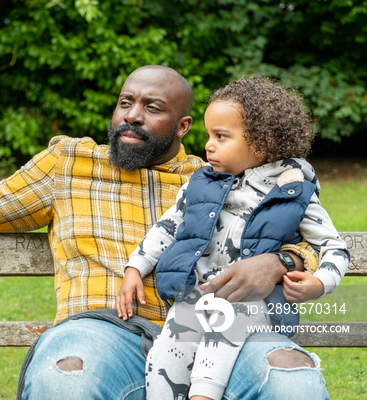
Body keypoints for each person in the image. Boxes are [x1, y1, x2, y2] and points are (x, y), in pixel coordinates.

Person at [0, 65, 329, 399]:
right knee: (69, 378)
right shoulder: (69, 164)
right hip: (102, 329)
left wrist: (284, 261)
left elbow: (300, 226)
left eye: (152, 109)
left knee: (292, 378)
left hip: (218, 333)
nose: (131, 117)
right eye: (126, 102)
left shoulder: (217, 175)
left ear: (185, 126)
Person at [116, 76, 349, 400]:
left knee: (224, 333)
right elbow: (167, 226)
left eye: (221, 137)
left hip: (254, 303)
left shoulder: (293, 190)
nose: (209, 145)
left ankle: (203, 396)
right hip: (195, 296)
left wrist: (320, 282)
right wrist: (134, 268)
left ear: (262, 143)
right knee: (165, 356)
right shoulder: (202, 183)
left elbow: (333, 247)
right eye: (209, 135)